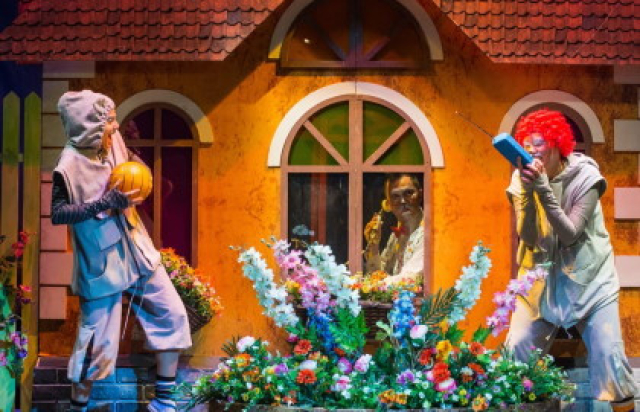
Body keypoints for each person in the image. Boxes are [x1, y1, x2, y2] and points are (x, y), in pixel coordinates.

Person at [51, 90, 192, 412]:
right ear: (89, 126)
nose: (115, 127)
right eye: (109, 121)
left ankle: (164, 402)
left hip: (137, 249)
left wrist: (136, 164)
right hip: (102, 262)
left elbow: (129, 166)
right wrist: (103, 203)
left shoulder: (113, 141)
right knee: (94, 344)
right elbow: (58, 213)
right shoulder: (68, 165)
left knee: (171, 314)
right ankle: (78, 407)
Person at [505, 108, 637, 412]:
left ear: (557, 144)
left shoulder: (587, 178)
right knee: (517, 350)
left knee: (609, 356)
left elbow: (570, 234)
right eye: (526, 145)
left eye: (539, 144)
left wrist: (543, 190)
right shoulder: (520, 178)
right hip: (539, 281)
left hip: (591, 281)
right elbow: (528, 237)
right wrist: (528, 193)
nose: (531, 151)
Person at [364, 173, 424, 285]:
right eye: (395, 196)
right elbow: (380, 273)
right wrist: (373, 245)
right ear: (388, 204)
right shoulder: (396, 236)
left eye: (408, 193)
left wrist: (370, 285)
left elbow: (408, 278)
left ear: (420, 195)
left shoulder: (429, 232)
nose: (403, 201)